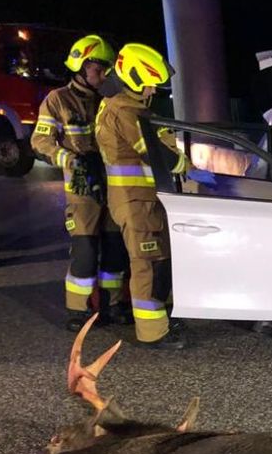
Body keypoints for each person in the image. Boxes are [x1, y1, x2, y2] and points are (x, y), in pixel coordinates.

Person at [31, 34, 131, 332]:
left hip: (112, 184)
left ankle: (113, 304)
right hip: (81, 189)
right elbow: (40, 140)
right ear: (80, 66)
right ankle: (78, 309)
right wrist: (69, 159)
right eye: (98, 69)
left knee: (115, 248)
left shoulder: (111, 98)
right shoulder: (58, 100)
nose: (103, 75)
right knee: (85, 250)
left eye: (106, 69)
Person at [94, 43, 187, 349]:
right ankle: (152, 332)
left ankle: (159, 317)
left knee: (156, 259)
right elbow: (161, 158)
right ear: (133, 78)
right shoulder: (127, 110)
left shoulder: (119, 104)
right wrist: (187, 161)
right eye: (149, 85)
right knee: (146, 264)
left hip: (138, 200)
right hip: (135, 202)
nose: (152, 91)